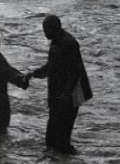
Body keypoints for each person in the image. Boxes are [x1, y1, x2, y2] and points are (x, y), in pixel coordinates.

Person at [27, 15, 93, 155]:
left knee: (62, 138)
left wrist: (65, 95)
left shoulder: (69, 44)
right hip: (59, 94)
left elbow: (76, 73)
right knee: (51, 138)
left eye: (46, 29)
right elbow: (51, 67)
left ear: (54, 28)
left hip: (70, 95)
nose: (44, 33)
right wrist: (34, 73)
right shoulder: (56, 41)